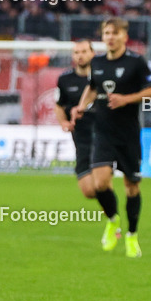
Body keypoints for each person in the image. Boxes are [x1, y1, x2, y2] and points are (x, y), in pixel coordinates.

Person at [71, 18, 151, 258]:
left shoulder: (136, 62)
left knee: (131, 186)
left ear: (124, 36)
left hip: (128, 134)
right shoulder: (98, 63)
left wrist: (126, 99)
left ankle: (132, 235)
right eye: (107, 33)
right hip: (103, 132)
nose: (110, 37)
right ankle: (113, 220)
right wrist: (81, 106)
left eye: (115, 33)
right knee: (99, 184)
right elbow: (92, 87)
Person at [54, 40, 97, 199]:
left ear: (92, 53)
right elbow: (59, 105)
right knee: (89, 192)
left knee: (102, 182)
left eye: (84, 51)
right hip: (81, 139)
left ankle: (113, 217)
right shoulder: (65, 79)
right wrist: (63, 122)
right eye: (77, 52)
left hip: (102, 136)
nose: (80, 56)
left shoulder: (101, 77)